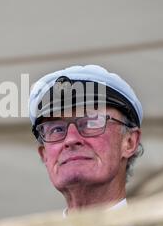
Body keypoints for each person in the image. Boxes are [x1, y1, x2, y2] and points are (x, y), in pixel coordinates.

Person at [29, 65, 143, 215]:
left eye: (91, 122)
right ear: (44, 155)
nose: (70, 139)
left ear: (129, 142)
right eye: (56, 129)